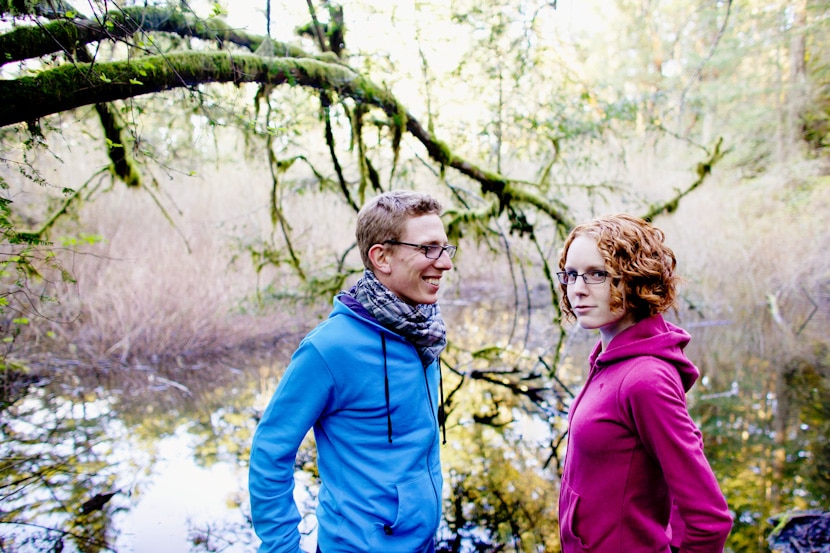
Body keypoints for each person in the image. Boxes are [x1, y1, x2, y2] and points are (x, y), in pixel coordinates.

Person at [249, 190, 455, 553]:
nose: (445, 263)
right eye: (428, 249)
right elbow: (270, 451)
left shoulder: (424, 332)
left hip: (422, 543)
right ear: (382, 258)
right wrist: (282, 547)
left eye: (444, 248)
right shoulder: (329, 349)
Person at [556, 213, 732, 553]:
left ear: (636, 278)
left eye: (597, 274)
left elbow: (708, 518)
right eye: (572, 274)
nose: (577, 288)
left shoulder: (644, 379)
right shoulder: (609, 358)